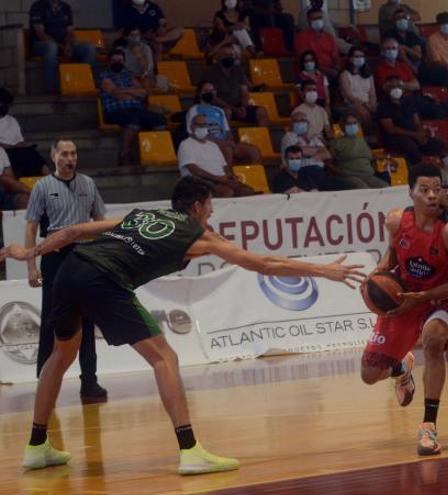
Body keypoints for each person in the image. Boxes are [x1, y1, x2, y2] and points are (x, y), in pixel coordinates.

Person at [9, 176, 364, 474]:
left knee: (60, 355)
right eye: (210, 206)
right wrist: (322, 270)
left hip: (71, 271)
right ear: (196, 207)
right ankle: (190, 450)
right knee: (165, 358)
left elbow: (73, 231)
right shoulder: (199, 238)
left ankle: (37, 445)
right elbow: (265, 264)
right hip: (105, 279)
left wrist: (31, 254)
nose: (212, 212)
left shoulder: (140, 215)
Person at [359, 164, 448, 456]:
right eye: (424, 189)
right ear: (411, 192)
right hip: (402, 299)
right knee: (369, 375)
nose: (432, 195)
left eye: (437, 189)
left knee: (434, 343)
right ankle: (400, 367)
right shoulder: (396, 221)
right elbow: (393, 255)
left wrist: (424, 296)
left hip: (438, 299)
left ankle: (428, 426)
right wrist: (380, 273)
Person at [24, 139, 107, 400]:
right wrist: (31, 266)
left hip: (84, 256)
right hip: (55, 258)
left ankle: (89, 382)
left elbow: (101, 221)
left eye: (73, 153)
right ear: (53, 156)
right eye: (64, 153)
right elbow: (31, 228)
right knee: (51, 318)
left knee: (87, 318)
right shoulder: (42, 187)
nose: (70, 158)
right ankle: (44, 380)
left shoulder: (88, 184)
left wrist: (104, 258)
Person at [98, 49, 167, 166]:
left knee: (159, 120)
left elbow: (143, 93)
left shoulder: (129, 75)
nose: (117, 62)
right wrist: (133, 92)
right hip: (115, 111)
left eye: (120, 60)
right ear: (109, 62)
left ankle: (154, 154)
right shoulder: (104, 76)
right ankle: (125, 154)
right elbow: (115, 93)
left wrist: (125, 92)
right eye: (114, 60)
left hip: (136, 109)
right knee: (133, 121)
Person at [29, 0, 97, 93]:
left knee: (89, 48)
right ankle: (50, 88)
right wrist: (61, 47)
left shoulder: (66, 7)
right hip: (41, 45)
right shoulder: (38, 6)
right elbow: (40, 34)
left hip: (63, 45)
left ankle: (86, 83)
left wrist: (68, 45)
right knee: (51, 47)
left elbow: (70, 32)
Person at [186, 81, 261, 166]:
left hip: (224, 143)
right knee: (227, 150)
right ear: (199, 93)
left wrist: (230, 140)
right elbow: (192, 134)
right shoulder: (194, 110)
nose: (209, 93)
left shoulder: (220, 110)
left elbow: (227, 131)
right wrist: (220, 143)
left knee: (254, 151)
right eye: (206, 90)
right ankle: (227, 176)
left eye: (212, 90)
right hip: (207, 144)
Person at [178, 115, 254, 198]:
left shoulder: (213, 145)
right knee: (227, 192)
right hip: (200, 181)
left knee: (246, 191)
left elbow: (224, 167)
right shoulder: (186, 144)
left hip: (221, 180)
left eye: (204, 125)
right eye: (199, 125)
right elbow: (194, 170)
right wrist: (219, 179)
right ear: (192, 127)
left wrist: (230, 177)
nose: (202, 127)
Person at [377, 76, 445, 167]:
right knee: (410, 147)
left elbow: (416, 121)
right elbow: (391, 129)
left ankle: (432, 166)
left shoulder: (408, 102)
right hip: (396, 137)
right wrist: (414, 135)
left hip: (413, 133)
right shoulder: (383, 106)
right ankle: (418, 169)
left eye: (398, 86)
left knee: (436, 144)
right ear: (386, 88)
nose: (396, 89)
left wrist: (421, 133)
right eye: (392, 86)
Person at [280, 111, 349, 191]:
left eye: (302, 121)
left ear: (307, 123)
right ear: (292, 124)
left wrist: (308, 151)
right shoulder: (289, 137)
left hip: (320, 172)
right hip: (302, 173)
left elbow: (327, 154)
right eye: (296, 121)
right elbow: (299, 151)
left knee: (346, 186)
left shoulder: (314, 138)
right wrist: (318, 150)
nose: (299, 123)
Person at [202, 45, 270, 127]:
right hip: (220, 107)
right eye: (225, 55)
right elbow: (213, 98)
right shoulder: (211, 72)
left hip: (238, 106)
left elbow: (244, 91)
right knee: (227, 112)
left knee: (261, 111)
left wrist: (243, 107)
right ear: (218, 57)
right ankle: (226, 138)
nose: (229, 57)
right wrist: (234, 109)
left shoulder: (238, 70)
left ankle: (263, 137)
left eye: (231, 55)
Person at [0, 88, 50, 178]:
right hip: (3, 154)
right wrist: (9, 147)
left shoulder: (12, 120)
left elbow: (19, 140)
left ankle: (50, 179)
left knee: (32, 154)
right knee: (26, 156)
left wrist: (24, 146)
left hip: (16, 150)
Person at [330, 114, 390, 189]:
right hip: (350, 176)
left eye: (354, 123)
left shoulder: (362, 141)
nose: (352, 125)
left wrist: (380, 157)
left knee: (385, 187)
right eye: (349, 123)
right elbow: (329, 163)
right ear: (342, 125)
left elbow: (370, 157)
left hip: (368, 175)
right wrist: (341, 173)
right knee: (364, 188)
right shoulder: (336, 142)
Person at [119, 0, 184, 60]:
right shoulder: (126, 10)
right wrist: (144, 35)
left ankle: (158, 40)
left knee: (179, 30)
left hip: (158, 36)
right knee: (155, 45)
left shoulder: (154, 6)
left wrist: (162, 28)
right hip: (141, 39)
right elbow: (124, 31)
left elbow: (163, 22)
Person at [295, 8, 342, 80]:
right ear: (308, 21)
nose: (317, 21)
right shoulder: (302, 37)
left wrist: (337, 67)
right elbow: (305, 60)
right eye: (314, 19)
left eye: (319, 18)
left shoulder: (328, 37)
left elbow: (335, 56)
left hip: (330, 70)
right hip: (312, 70)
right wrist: (328, 71)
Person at [338, 47, 378, 127]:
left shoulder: (369, 75)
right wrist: (364, 105)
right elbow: (349, 95)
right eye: (356, 56)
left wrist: (372, 104)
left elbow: (372, 93)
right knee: (363, 113)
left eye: (361, 56)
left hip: (368, 103)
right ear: (350, 59)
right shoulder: (345, 74)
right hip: (353, 103)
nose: (360, 59)